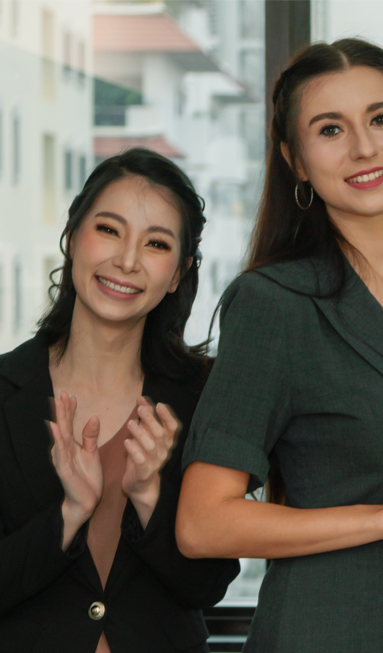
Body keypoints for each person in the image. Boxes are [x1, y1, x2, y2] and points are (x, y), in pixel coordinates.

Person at [174, 39, 383, 653]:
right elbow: (202, 523)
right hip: (323, 631)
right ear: (295, 160)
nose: (364, 147)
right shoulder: (274, 303)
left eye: (381, 118)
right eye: (330, 129)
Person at [0, 148, 239, 652]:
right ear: (72, 237)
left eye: (155, 243)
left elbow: (207, 586)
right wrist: (70, 513)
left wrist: (149, 495)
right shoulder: (5, 390)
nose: (127, 261)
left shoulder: (204, 398)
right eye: (108, 229)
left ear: (178, 272)